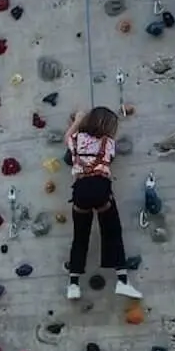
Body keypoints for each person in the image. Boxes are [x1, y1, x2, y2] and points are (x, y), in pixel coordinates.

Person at [63, 106, 142, 301]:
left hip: (80, 189)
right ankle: (122, 281)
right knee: (112, 232)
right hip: (100, 187)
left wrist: (77, 120)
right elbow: (109, 158)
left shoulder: (76, 139)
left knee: (80, 237)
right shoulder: (108, 143)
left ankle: (73, 285)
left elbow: (68, 137)